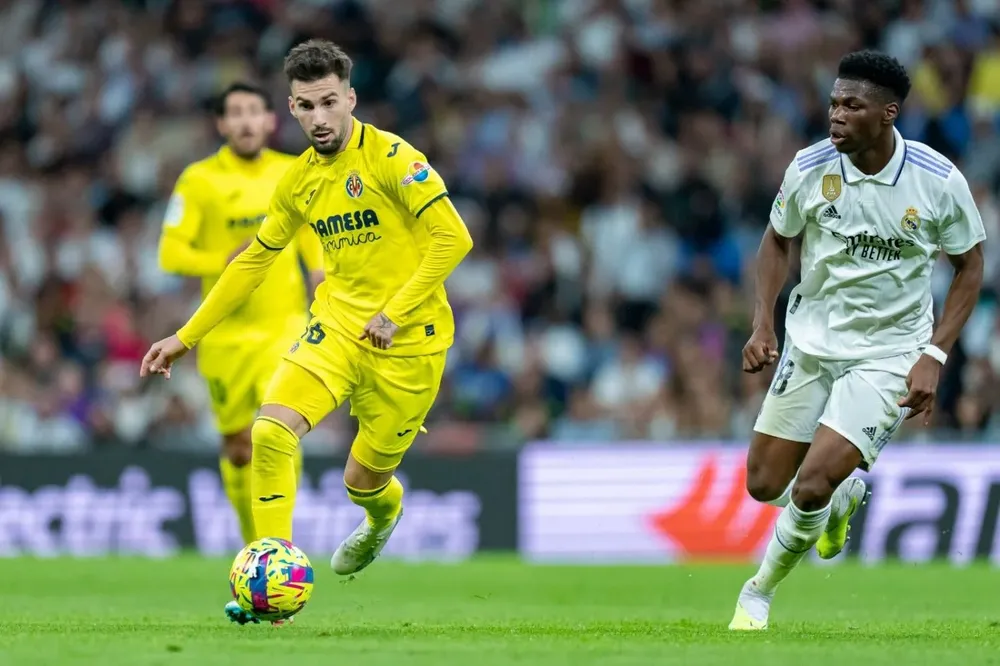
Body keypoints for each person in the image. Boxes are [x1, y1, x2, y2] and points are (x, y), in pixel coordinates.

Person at [140, 39, 473, 624]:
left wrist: (395, 311)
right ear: (290, 109)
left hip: (410, 341)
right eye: (304, 106)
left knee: (362, 481)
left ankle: (380, 516)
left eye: (327, 103)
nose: (318, 119)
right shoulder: (298, 180)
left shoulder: (395, 158)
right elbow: (252, 261)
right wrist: (184, 336)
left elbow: (454, 238)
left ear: (350, 98)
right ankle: (272, 589)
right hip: (337, 328)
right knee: (269, 431)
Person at [731, 50, 986, 630]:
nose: (836, 116)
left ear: (888, 114)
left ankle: (757, 592)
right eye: (833, 104)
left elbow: (970, 266)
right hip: (811, 341)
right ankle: (843, 500)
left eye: (852, 106)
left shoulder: (937, 180)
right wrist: (763, 322)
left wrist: (934, 354)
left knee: (813, 481)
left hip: (890, 351)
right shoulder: (809, 167)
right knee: (764, 483)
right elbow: (777, 239)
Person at [158, 82, 323, 547]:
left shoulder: (295, 171)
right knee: (238, 449)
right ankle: (255, 549)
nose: (246, 121)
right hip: (226, 336)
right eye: (236, 113)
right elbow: (171, 253)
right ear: (221, 124)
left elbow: (310, 229)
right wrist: (222, 263)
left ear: (272, 120)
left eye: (255, 111)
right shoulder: (198, 181)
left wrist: (318, 270)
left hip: (284, 328)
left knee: (282, 432)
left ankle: (282, 547)